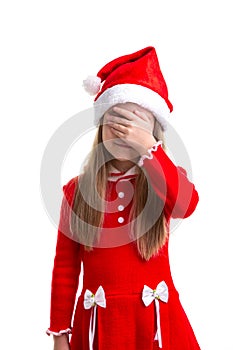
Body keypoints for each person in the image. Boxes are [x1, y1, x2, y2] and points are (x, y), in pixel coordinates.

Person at [46, 46, 201, 350]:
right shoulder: (76, 192)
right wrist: (60, 334)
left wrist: (148, 149)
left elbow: (186, 205)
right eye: (116, 123)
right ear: (101, 127)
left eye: (136, 125)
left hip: (154, 323)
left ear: (155, 133)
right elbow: (65, 268)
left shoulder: (165, 180)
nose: (124, 133)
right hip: (100, 326)